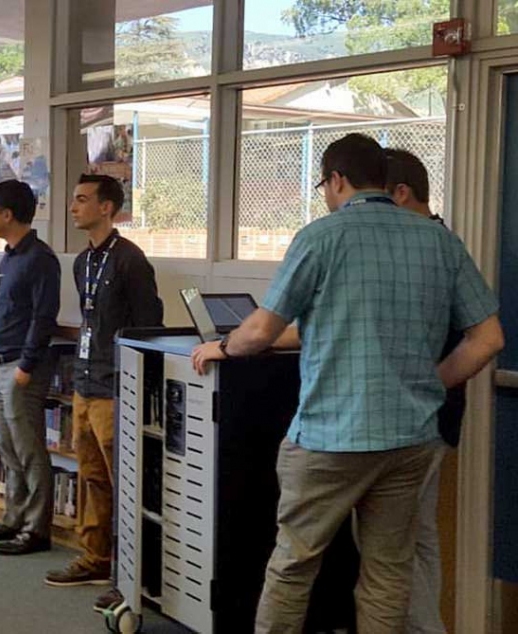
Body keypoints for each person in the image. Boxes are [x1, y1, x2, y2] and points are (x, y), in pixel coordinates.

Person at [191, 133, 503, 632]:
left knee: (293, 566)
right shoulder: (440, 240)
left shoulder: (321, 236)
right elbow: (487, 339)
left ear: (336, 180)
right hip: (410, 439)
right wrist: (428, 383)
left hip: (329, 438)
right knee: (387, 572)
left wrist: (221, 347)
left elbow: (262, 331)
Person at [46, 174, 163, 594]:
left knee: (123, 485)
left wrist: (131, 385)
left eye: (81, 200)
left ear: (106, 208)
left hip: (116, 389)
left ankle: (129, 576)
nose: (73, 207)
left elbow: (149, 326)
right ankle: (96, 558)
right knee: (91, 478)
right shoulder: (83, 262)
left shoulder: (131, 260)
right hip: (84, 382)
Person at [385, 148, 466, 634]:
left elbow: (484, 338)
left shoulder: (429, 248)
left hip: (418, 418)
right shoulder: (442, 242)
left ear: (401, 193)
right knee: (420, 539)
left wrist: (424, 384)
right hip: (434, 416)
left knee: (395, 540)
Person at [0, 180, 61, 555]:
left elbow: (44, 316)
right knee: (7, 448)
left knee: (29, 451)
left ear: (8, 214)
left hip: (21, 368)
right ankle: (13, 518)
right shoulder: (10, 255)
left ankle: (36, 529)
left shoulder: (41, 258)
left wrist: (26, 364)